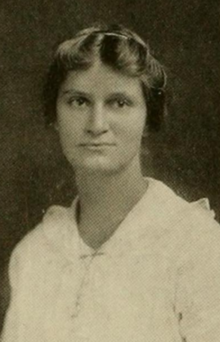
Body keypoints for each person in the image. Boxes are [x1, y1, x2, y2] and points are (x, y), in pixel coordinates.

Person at [1, 24, 220, 342]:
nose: (96, 125)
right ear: (55, 116)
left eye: (119, 103)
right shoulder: (34, 254)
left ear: (149, 116)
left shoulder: (197, 247)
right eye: (78, 102)